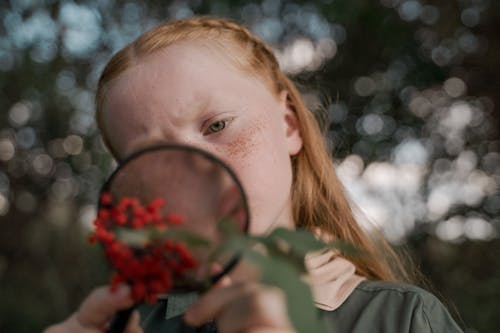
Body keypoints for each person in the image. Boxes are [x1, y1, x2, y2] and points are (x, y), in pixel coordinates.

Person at [44, 17, 463, 333]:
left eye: (217, 126)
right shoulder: (126, 324)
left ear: (289, 126)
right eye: (153, 156)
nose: (193, 174)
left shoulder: (403, 319)